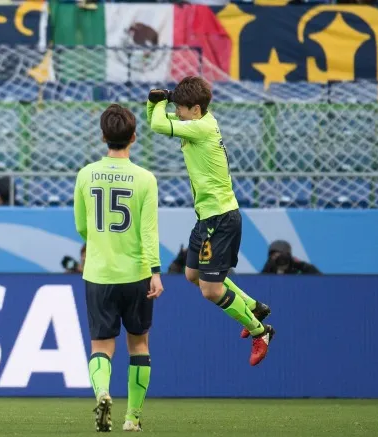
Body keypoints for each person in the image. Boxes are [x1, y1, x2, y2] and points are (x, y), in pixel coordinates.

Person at [147, 77, 274, 366]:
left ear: (195, 108)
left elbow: (156, 124)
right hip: (207, 216)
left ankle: (261, 331)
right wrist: (157, 102)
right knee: (192, 275)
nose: (176, 112)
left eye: (180, 108)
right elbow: (157, 120)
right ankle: (255, 307)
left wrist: (156, 102)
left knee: (211, 289)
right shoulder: (201, 119)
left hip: (221, 217)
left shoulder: (201, 128)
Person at [74, 104, 163, 433]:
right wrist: (154, 270)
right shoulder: (145, 179)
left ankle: (102, 393)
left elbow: (81, 226)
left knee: (101, 346)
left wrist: (99, 241)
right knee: (139, 345)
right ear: (134, 137)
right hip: (138, 274)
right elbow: (149, 231)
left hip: (99, 274)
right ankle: (132, 419)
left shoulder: (86, 174)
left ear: (102, 136)